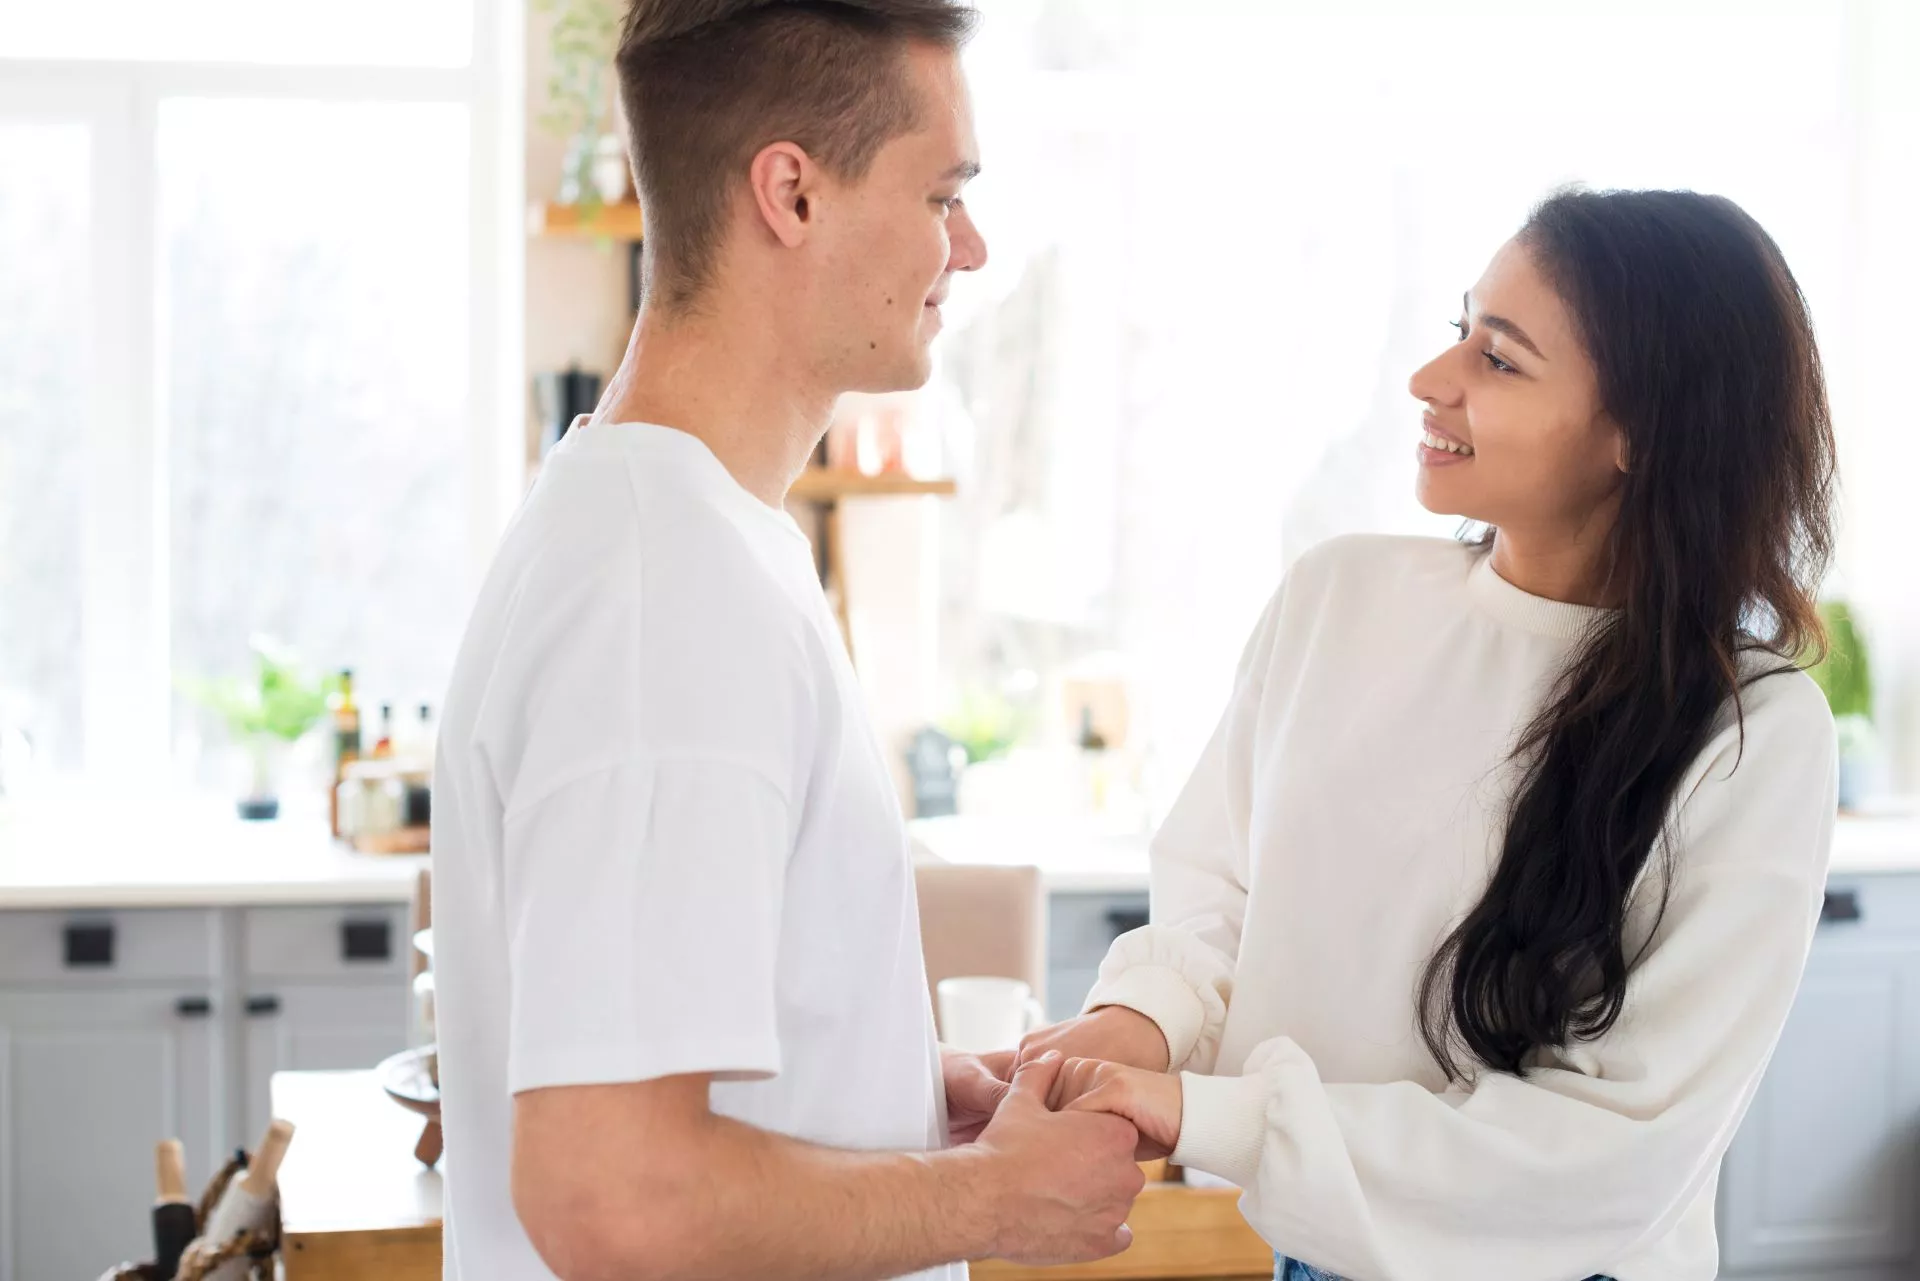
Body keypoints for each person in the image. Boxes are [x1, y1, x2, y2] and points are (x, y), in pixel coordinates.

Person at [430, 3, 1146, 1278]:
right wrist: (988, 1204)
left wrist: (885, 1091)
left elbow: (665, 1093)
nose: (970, 247)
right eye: (943, 196)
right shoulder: (666, 589)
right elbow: (612, 1198)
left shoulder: (682, 534)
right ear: (792, 194)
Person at [1022, 188, 1840, 1281]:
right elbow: (1223, 889)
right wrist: (1137, 1024)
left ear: (1639, 432)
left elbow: (1612, 1148)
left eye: (1498, 359)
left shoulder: (1753, 733)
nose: (1428, 379)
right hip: (1313, 1249)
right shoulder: (1337, 596)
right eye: (1461, 328)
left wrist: (1211, 1116)